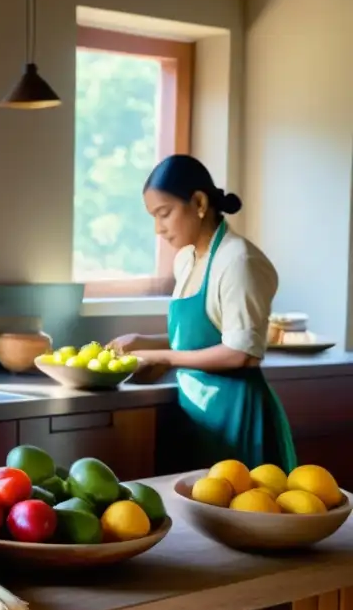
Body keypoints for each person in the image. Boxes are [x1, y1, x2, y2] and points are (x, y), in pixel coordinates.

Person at [109, 154, 297, 472]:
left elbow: (241, 353)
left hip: (237, 416)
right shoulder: (187, 260)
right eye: (153, 217)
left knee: (241, 511)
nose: (158, 228)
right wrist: (148, 342)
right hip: (197, 410)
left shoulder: (239, 261)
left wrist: (162, 357)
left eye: (164, 213)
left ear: (198, 202)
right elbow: (203, 336)